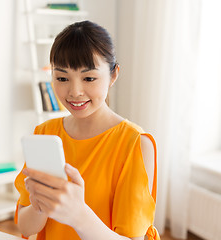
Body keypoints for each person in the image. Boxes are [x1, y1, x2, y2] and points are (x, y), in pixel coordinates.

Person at [14, 20, 160, 240]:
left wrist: (78, 215)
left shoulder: (135, 144)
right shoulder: (44, 133)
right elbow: (25, 228)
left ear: (113, 75)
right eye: (62, 78)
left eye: (89, 78)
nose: (75, 92)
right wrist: (39, 206)